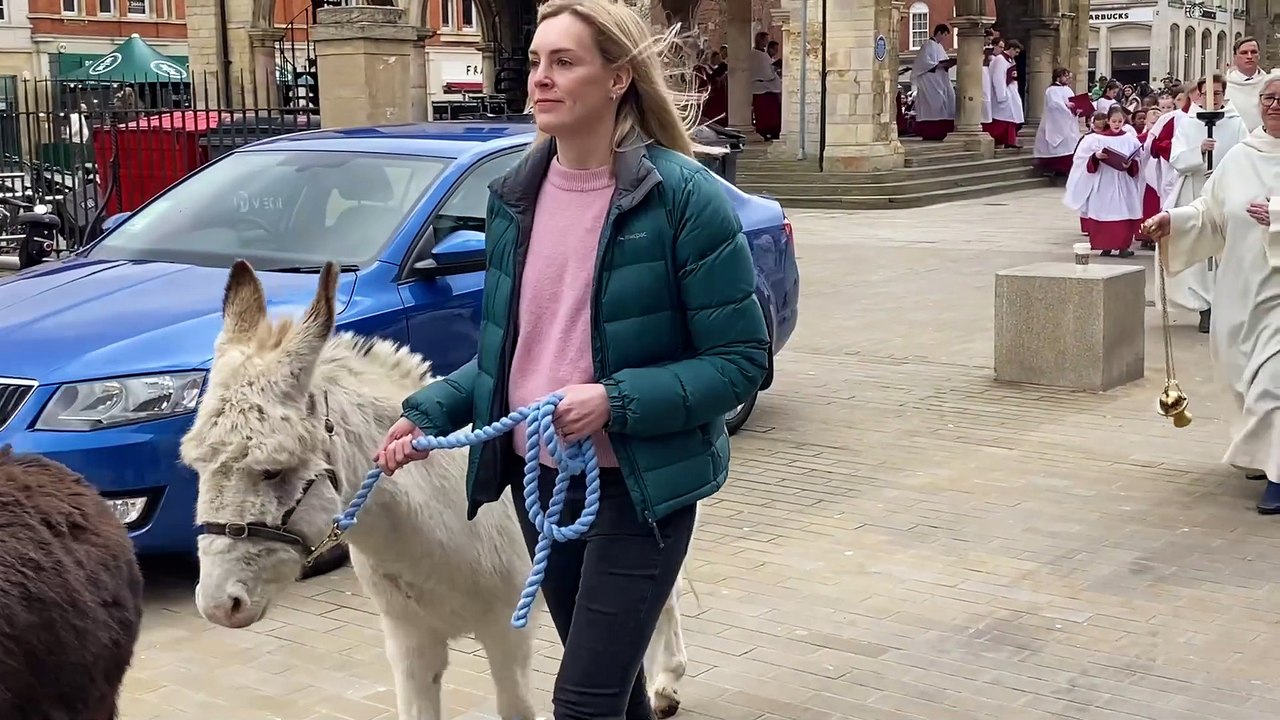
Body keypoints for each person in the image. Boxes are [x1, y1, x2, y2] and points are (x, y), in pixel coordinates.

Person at [374, 0, 770, 717]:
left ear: (618, 78)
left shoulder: (681, 199)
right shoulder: (516, 199)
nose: (541, 81)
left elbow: (741, 362)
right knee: (614, 698)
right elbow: (516, 357)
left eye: (564, 62)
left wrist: (614, 401)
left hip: (642, 490)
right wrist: (423, 413)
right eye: (535, 63)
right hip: (544, 485)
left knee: (583, 704)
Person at [1144, 72, 1280, 512]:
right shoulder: (1241, 156)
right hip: (1241, 292)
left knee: (1273, 383)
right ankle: (1265, 453)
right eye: (1269, 98)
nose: (1275, 105)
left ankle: (1279, 474)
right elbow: (1210, 211)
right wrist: (1174, 220)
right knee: (1245, 378)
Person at [1162, 73, 1249, 333]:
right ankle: (1205, 308)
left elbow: (1246, 155)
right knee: (1201, 253)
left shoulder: (1236, 123)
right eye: (1207, 94)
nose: (1213, 99)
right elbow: (1176, 160)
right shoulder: (1188, 124)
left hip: (1226, 194)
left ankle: (1225, 305)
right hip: (1195, 193)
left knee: (1224, 250)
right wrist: (1199, 151)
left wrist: (1224, 172)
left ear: (1225, 95)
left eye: (1218, 93)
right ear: (1198, 95)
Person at [1064, 107, 1142, 257]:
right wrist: (1095, 157)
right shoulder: (1095, 139)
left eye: (1120, 121)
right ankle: (1105, 246)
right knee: (1103, 212)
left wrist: (1130, 165)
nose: (1117, 124)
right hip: (1104, 181)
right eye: (1114, 121)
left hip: (1123, 181)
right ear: (1108, 121)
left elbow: (1138, 159)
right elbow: (1081, 159)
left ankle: (1122, 247)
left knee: (1124, 211)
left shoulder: (1130, 139)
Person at [910, 24, 957, 141]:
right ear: (939, 33)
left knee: (948, 100)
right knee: (934, 104)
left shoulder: (939, 47)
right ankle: (930, 132)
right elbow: (923, 64)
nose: (945, 38)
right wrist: (939, 65)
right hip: (930, 81)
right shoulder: (928, 45)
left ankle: (942, 131)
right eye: (945, 35)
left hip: (941, 80)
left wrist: (948, 63)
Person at [1032, 67, 1082, 176]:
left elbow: (1074, 102)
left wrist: (1077, 109)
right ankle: (1054, 168)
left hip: (1069, 122)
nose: (1068, 78)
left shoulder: (1068, 89)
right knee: (1057, 144)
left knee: (1070, 145)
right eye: (1066, 76)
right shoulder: (1051, 90)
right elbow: (1054, 104)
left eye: (1068, 76)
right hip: (1056, 122)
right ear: (1058, 77)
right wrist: (1066, 106)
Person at [986, 38, 1024, 148]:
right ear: (1011, 49)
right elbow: (998, 78)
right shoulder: (1000, 60)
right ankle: (1003, 140)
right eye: (1016, 52)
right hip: (1002, 93)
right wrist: (1001, 95)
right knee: (1004, 118)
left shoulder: (1011, 60)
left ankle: (1010, 140)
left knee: (1012, 117)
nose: (1016, 55)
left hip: (1011, 90)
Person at [1226, 36, 1269, 131]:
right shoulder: (1224, 87)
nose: (1249, 56)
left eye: (1253, 52)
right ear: (1235, 57)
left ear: (1259, 55)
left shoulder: (1270, 84)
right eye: (1244, 53)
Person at [749, 31, 782, 141]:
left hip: (769, 88)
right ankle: (764, 131)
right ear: (761, 40)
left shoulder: (763, 54)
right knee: (763, 114)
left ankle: (772, 131)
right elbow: (765, 72)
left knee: (772, 114)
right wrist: (774, 69)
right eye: (765, 40)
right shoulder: (755, 54)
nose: (766, 42)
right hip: (761, 88)